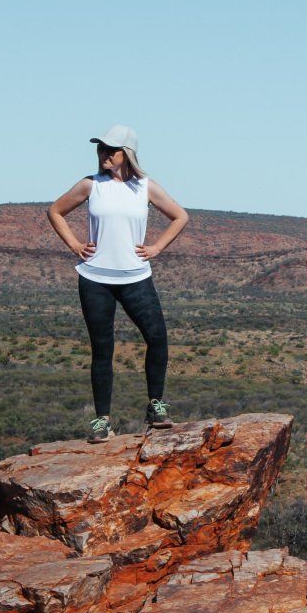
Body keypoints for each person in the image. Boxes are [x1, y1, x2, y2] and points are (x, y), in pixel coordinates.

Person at [46, 125, 190, 442]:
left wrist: (156, 248)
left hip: (136, 277)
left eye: (111, 149)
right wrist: (74, 245)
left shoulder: (146, 187)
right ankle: (102, 421)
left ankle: (156, 406)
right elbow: (55, 211)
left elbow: (180, 216)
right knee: (102, 349)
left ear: (127, 154)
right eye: (101, 149)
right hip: (95, 278)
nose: (104, 154)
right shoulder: (90, 185)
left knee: (157, 337)